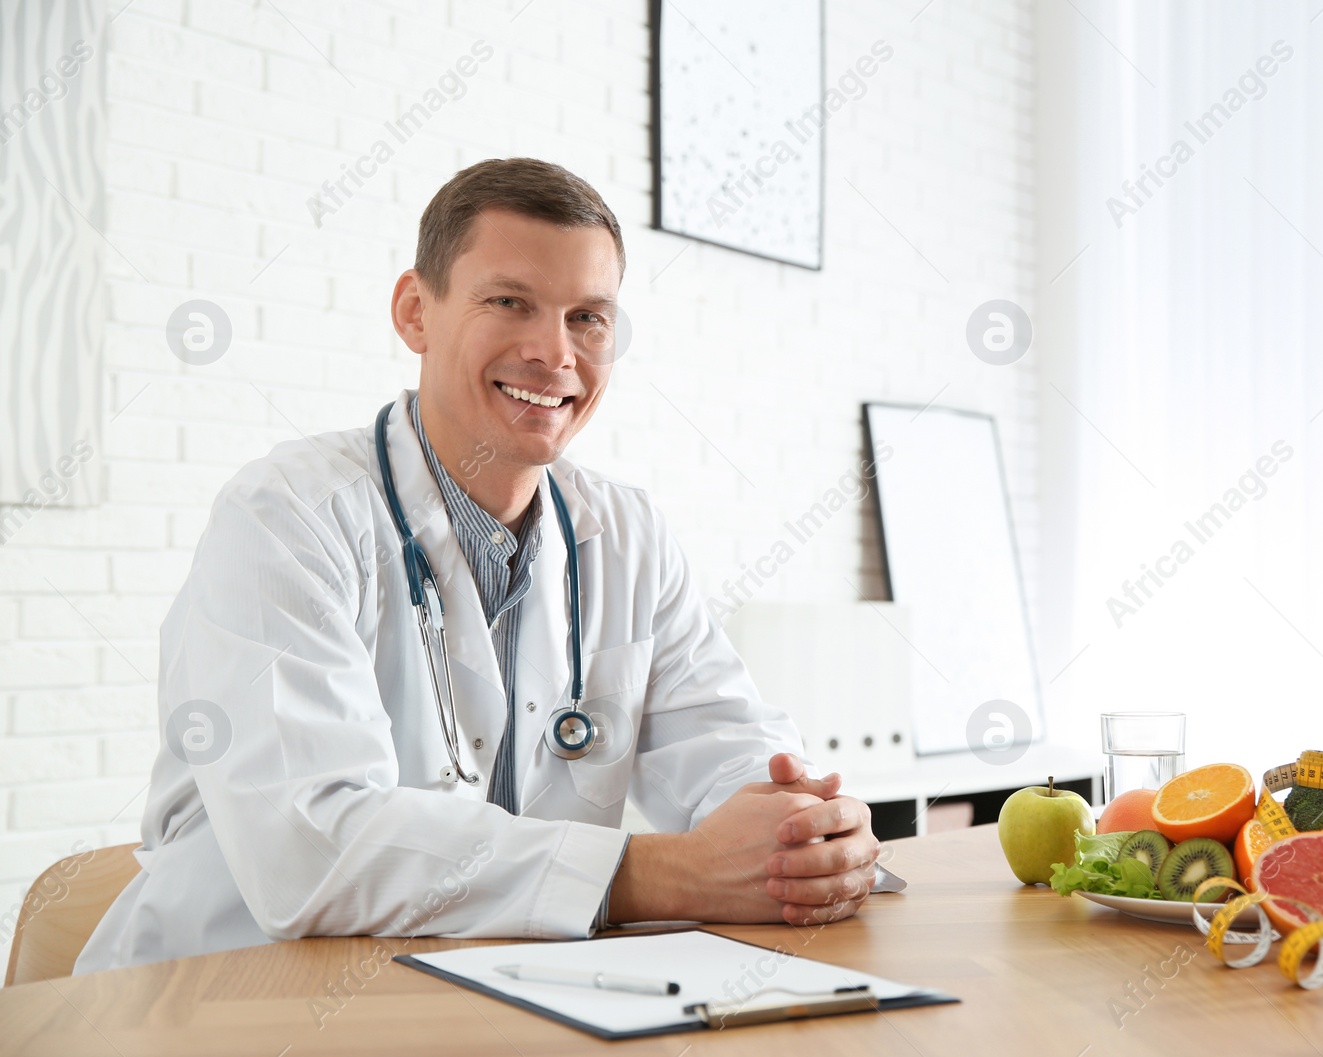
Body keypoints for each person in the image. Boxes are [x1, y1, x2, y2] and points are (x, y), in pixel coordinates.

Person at [75, 158, 877, 974]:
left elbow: (730, 743)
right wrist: (663, 874)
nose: (554, 353)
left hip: (493, 1001)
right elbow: (312, 848)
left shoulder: (626, 534)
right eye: (509, 302)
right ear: (415, 311)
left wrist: (805, 831)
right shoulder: (284, 518)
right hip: (219, 1006)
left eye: (588, 318)